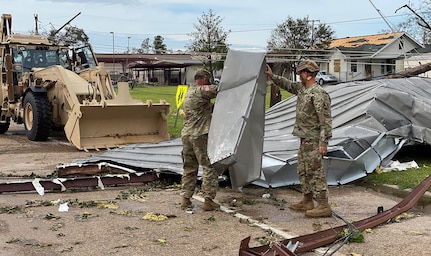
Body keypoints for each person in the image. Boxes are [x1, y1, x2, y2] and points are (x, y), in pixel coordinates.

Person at [265, 60, 333, 218]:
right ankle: (307, 200)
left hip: (314, 140)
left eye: (301, 73)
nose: (299, 76)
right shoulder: (303, 89)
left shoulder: (318, 94)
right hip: (304, 139)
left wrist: (323, 143)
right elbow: (287, 84)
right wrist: (271, 76)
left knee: (316, 172)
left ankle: (323, 205)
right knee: (303, 171)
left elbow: (326, 121)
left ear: (308, 74)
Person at [180, 68, 220, 211]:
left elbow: (206, 108)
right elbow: (219, 89)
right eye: (208, 81)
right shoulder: (202, 90)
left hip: (186, 135)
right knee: (209, 166)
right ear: (203, 79)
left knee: (189, 168)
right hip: (200, 135)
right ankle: (208, 200)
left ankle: (185, 198)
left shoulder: (190, 92)